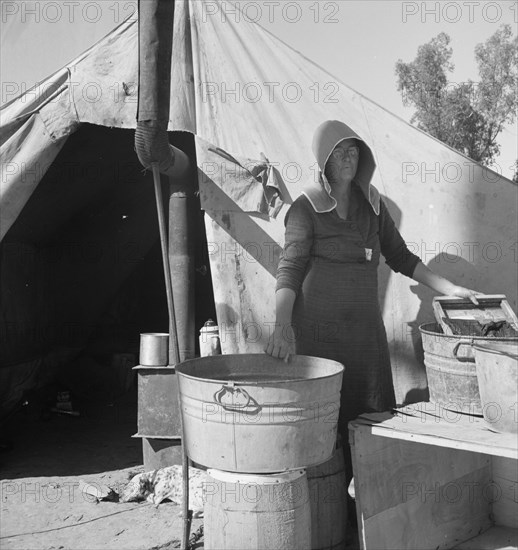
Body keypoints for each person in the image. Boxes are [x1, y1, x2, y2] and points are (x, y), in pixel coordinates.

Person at [265, 120, 479, 478]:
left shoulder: (373, 207)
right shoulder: (305, 208)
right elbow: (290, 269)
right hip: (320, 339)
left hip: (365, 338)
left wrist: (450, 289)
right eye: (339, 152)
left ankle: (368, 508)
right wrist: (281, 326)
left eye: (354, 151)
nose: (348, 158)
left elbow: (401, 257)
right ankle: (332, 506)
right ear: (324, 160)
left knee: (370, 419)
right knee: (325, 421)